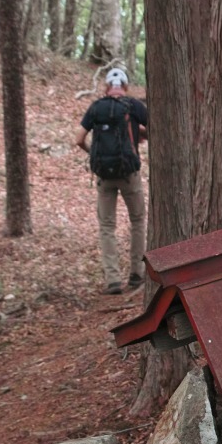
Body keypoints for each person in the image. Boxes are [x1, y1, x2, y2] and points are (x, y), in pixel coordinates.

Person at [75, 68, 148, 294]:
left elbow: (78, 138)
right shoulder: (134, 106)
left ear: (107, 87)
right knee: (137, 221)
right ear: (125, 87)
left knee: (107, 226)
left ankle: (113, 280)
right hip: (129, 175)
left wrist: (93, 155)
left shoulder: (96, 108)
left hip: (104, 176)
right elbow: (154, 131)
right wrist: (138, 135)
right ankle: (137, 274)